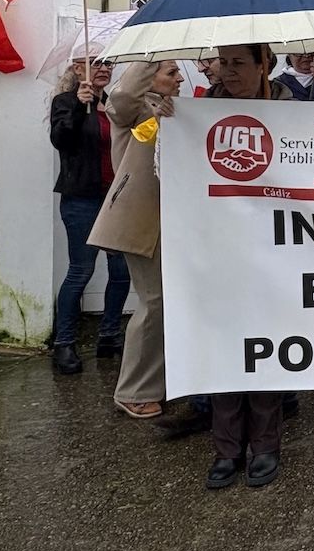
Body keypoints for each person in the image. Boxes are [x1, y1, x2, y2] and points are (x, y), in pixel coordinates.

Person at [202, 44, 292, 489]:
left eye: (239, 62)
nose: (227, 70)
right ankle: (226, 450)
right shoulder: (198, 111)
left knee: (265, 350)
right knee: (224, 351)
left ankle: (265, 447)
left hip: (272, 251)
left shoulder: (290, 109)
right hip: (218, 250)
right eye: (223, 61)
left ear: (263, 66)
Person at [89, 60, 184, 419]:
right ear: (149, 77)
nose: (178, 78)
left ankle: (159, 381)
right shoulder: (131, 109)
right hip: (141, 221)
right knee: (154, 301)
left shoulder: (167, 109)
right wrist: (151, 52)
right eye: (170, 72)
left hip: (169, 221)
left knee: (167, 301)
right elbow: (124, 95)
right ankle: (133, 390)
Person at [48, 58, 130, 375]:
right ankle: (64, 344)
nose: (103, 69)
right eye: (94, 64)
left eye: (108, 64)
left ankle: (109, 336)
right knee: (81, 271)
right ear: (77, 68)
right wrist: (78, 111)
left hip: (115, 199)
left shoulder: (109, 103)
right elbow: (61, 142)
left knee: (121, 271)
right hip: (82, 199)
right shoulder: (66, 101)